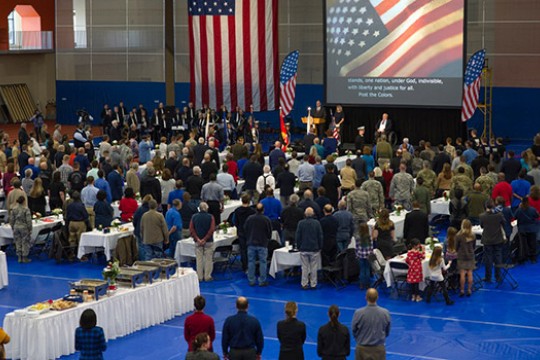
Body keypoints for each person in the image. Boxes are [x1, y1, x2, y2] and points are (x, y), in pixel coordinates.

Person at [351, 288, 391, 360]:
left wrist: (361, 339)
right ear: (377, 298)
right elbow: (387, 331)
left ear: (366, 297)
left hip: (362, 348)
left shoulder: (358, 313)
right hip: (378, 349)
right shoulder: (385, 313)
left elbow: (354, 330)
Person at [244, 203, 272, 286]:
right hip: (262, 243)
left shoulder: (250, 218)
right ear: (263, 210)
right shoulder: (266, 219)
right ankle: (262, 280)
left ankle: (251, 280)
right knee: (263, 262)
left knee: (251, 262)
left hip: (251, 243)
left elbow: (245, 229)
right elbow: (269, 232)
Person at [296, 207, 324, 289]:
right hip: (314, 248)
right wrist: (320, 246)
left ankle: (304, 283)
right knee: (314, 267)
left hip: (304, 248)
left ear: (305, 214)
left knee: (304, 267)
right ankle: (313, 284)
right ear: (313, 214)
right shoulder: (317, 223)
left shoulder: (301, 223)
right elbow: (320, 236)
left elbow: (298, 236)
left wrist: (298, 246)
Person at [479, 200, 506, 282]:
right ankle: (498, 277)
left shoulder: (482, 216)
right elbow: (504, 223)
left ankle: (488, 277)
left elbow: (482, 226)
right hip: (498, 239)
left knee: (488, 259)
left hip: (487, 240)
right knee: (498, 257)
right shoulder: (499, 215)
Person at [190, 202, 216, 282]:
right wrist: (205, 239)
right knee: (208, 259)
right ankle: (207, 276)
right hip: (208, 241)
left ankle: (199, 277)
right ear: (206, 208)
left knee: (199, 259)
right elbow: (211, 229)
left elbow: (191, 229)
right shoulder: (210, 217)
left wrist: (197, 239)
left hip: (198, 241)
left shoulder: (194, 217)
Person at [514, 196, 540, 263]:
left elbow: (515, 217)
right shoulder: (532, 209)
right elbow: (537, 216)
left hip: (522, 229)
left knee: (523, 245)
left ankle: (523, 257)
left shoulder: (519, 210)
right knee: (532, 243)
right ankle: (533, 258)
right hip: (532, 229)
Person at [9, 196, 32, 263]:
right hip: (24, 227)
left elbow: (11, 220)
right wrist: (30, 228)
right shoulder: (26, 209)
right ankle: (25, 257)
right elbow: (28, 220)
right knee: (25, 242)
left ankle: (19, 257)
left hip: (16, 226)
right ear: (24, 201)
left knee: (17, 241)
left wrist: (13, 227)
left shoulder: (14, 209)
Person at [456, 219, 476, 297]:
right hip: (470, 256)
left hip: (461, 256)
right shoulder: (473, 235)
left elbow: (456, 246)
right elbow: (474, 246)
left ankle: (461, 290)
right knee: (470, 273)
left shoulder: (459, 235)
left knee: (462, 274)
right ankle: (469, 289)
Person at [355, 222, 373, 290]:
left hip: (361, 255)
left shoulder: (358, 237)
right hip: (368, 255)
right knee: (367, 269)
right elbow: (371, 247)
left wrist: (356, 255)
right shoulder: (369, 237)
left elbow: (357, 247)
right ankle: (368, 284)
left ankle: (361, 284)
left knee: (362, 270)